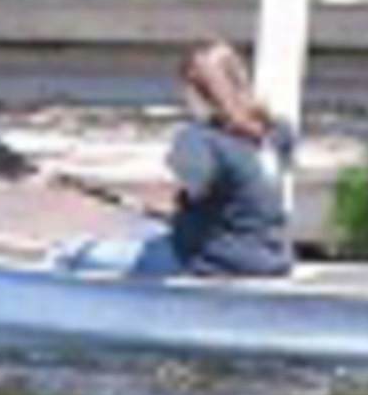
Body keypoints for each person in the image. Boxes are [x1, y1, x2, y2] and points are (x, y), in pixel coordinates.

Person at [61, 39, 299, 278]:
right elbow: (241, 199)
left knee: (70, 252)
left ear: (197, 91)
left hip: (210, 260)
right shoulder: (278, 131)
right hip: (272, 258)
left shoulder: (199, 140)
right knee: (142, 230)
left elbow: (192, 185)